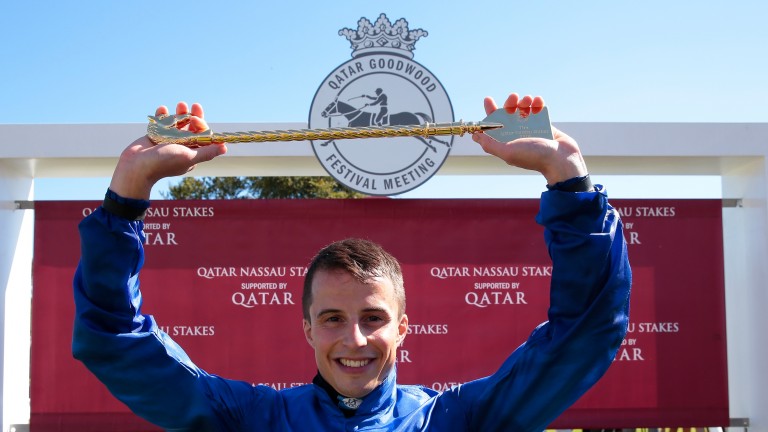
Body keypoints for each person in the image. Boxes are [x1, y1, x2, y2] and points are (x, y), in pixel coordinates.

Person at [73, 93, 632, 431]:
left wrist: (569, 180)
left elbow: (585, 335)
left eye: (373, 317)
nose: (355, 340)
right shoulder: (254, 420)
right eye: (334, 318)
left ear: (404, 328)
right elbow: (113, 341)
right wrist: (128, 194)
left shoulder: (457, 420)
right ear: (307, 329)